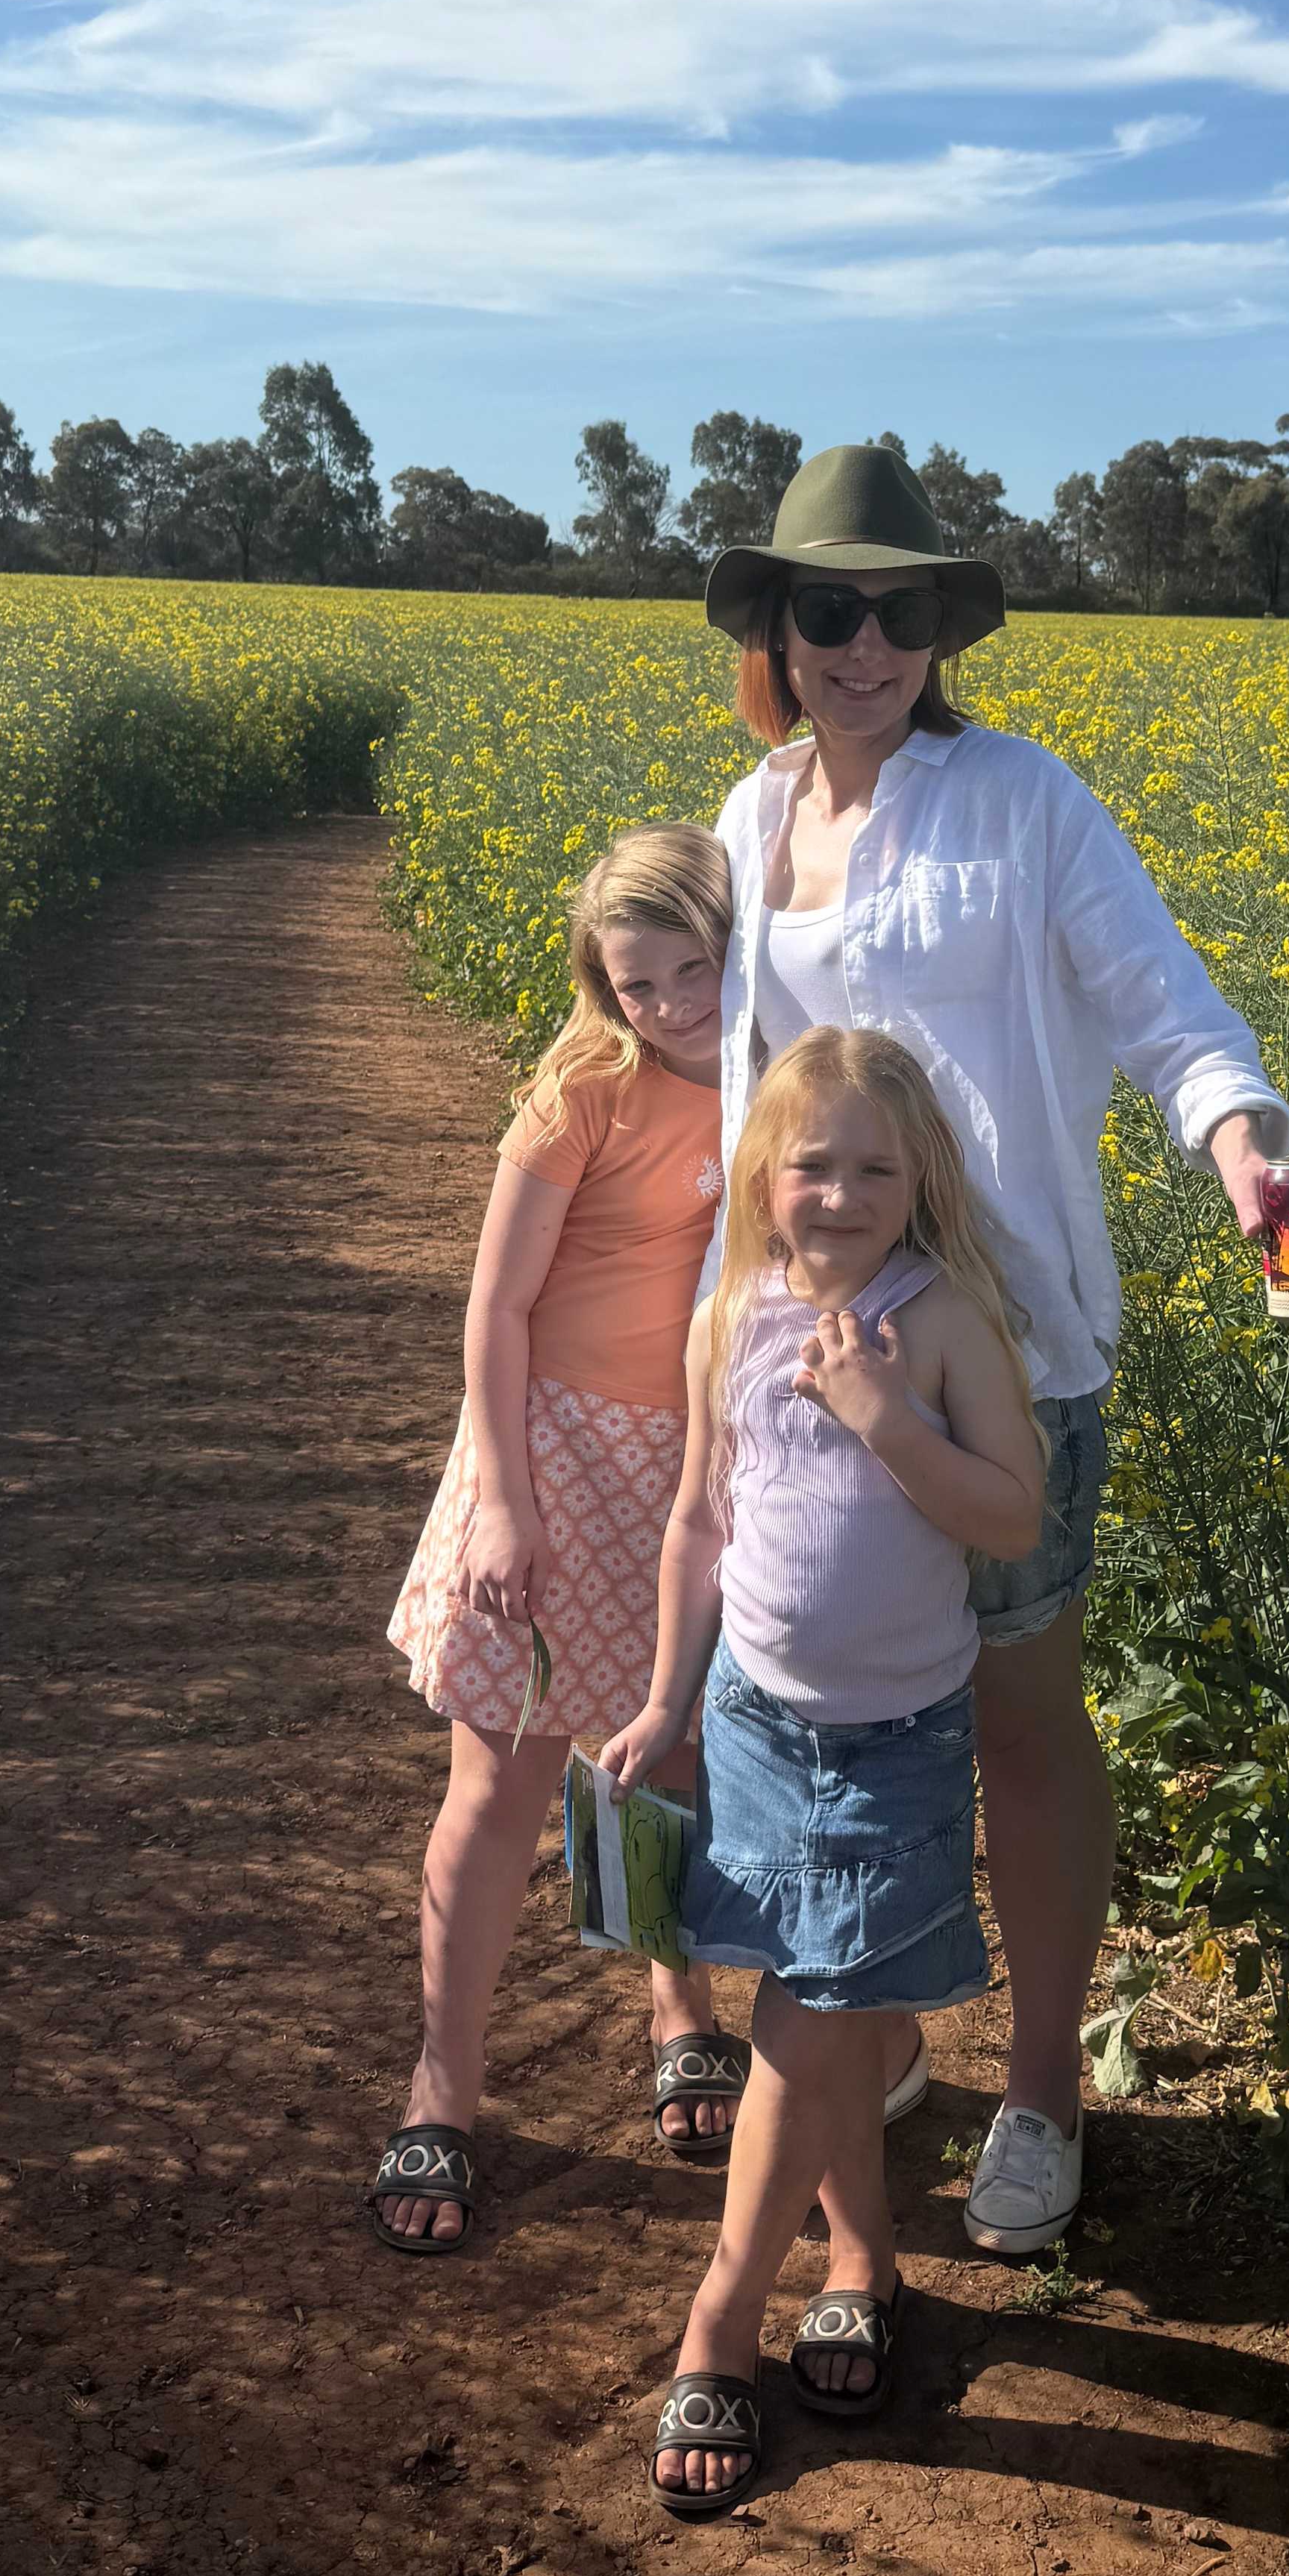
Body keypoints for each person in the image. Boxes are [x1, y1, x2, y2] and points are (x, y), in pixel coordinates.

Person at [698, 444, 1289, 2261]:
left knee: (1014, 1715)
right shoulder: (748, 827)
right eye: (827, 610)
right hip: (810, 1371)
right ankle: (883, 2019)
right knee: (849, 1707)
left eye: (896, 613)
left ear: (938, 630)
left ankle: (1048, 2088)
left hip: (1007, 1360)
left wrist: (1244, 1149)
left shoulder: (1024, 804)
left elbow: (1163, 1002)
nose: (862, 645)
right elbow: (723, 1090)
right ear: (776, 625)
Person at [603, 1027, 1047, 2515]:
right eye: (813, 1165)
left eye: (875, 1165)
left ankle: (719, 2320)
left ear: (921, 1176)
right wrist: (668, 1697)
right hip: (751, 1714)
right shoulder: (732, 1313)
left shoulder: (941, 1322)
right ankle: (862, 2258)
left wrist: (884, 1420)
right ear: (763, 1177)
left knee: (817, 2010)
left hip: (891, 1745)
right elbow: (697, 1526)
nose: (843, 1193)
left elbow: (1008, 1519)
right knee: (830, 2012)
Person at [368, 823, 746, 2249]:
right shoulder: (585, 1084)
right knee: (502, 1790)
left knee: (662, 1759)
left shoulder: (777, 1060)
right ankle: (442, 2092)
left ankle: (678, 2003)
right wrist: (508, 1502)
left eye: (690, 971)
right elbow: (497, 1308)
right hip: (549, 1455)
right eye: (635, 983)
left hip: (696, 1465)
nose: (666, 1008)